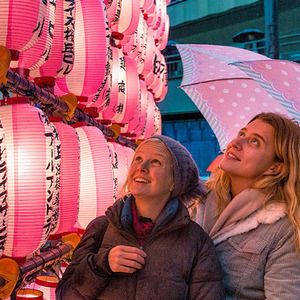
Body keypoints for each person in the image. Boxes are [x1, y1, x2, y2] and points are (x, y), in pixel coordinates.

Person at [56, 135, 225, 299]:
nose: (141, 167)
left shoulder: (196, 243)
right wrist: (102, 264)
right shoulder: (101, 227)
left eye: (156, 162)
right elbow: (65, 295)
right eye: (138, 159)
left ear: (175, 182)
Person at [189, 112, 300, 299]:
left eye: (254, 141)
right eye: (242, 134)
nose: (236, 143)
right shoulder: (194, 199)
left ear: (275, 167)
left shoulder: (284, 229)